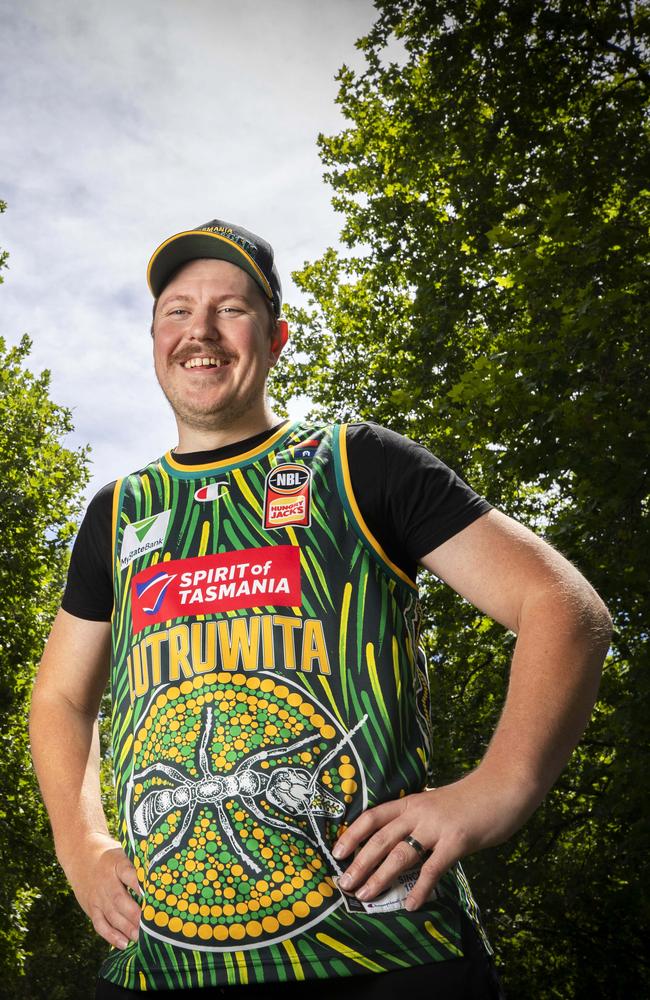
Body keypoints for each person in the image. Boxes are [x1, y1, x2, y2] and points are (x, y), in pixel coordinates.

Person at [30, 218, 611, 999]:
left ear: (275, 338)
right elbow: (62, 697)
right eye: (177, 309)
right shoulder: (119, 510)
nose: (199, 330)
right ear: (153, 335)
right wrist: (83, 845)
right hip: (160, 964)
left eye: (230, 309)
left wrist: (498, 787)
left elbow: (563, 606)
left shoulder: (357, 462)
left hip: (386, 952)